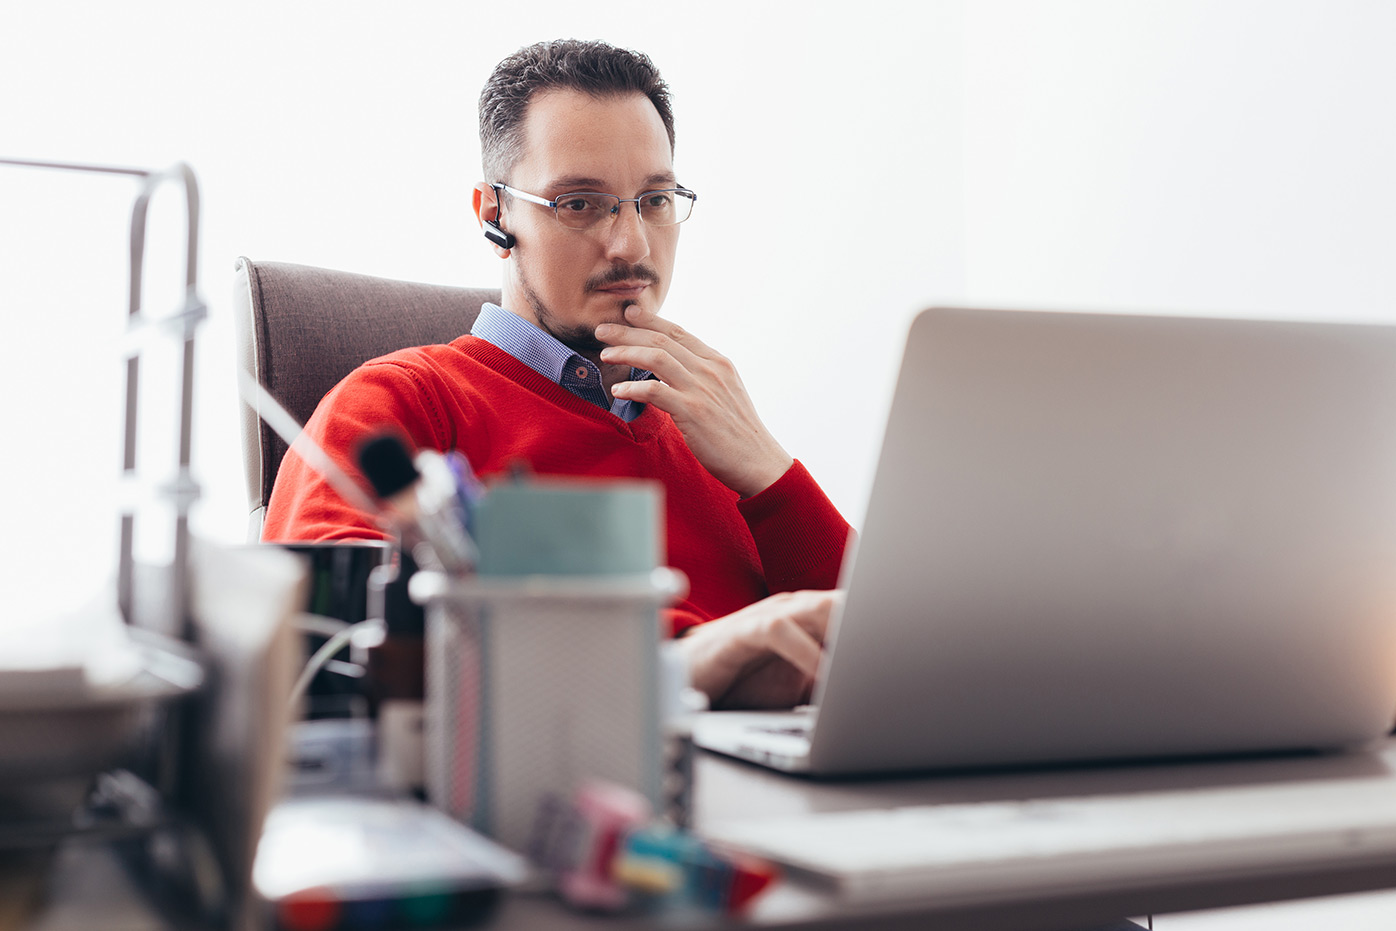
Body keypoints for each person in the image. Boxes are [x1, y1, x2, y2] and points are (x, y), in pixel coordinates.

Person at [263, 39, 851, 710]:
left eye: (654, 200)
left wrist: (772, 476)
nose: (630, 244)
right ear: (494, 214)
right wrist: (677, 662)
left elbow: (893, 652)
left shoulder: (715, 431)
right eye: (579, 203)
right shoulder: (399, 402)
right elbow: (335, 656)